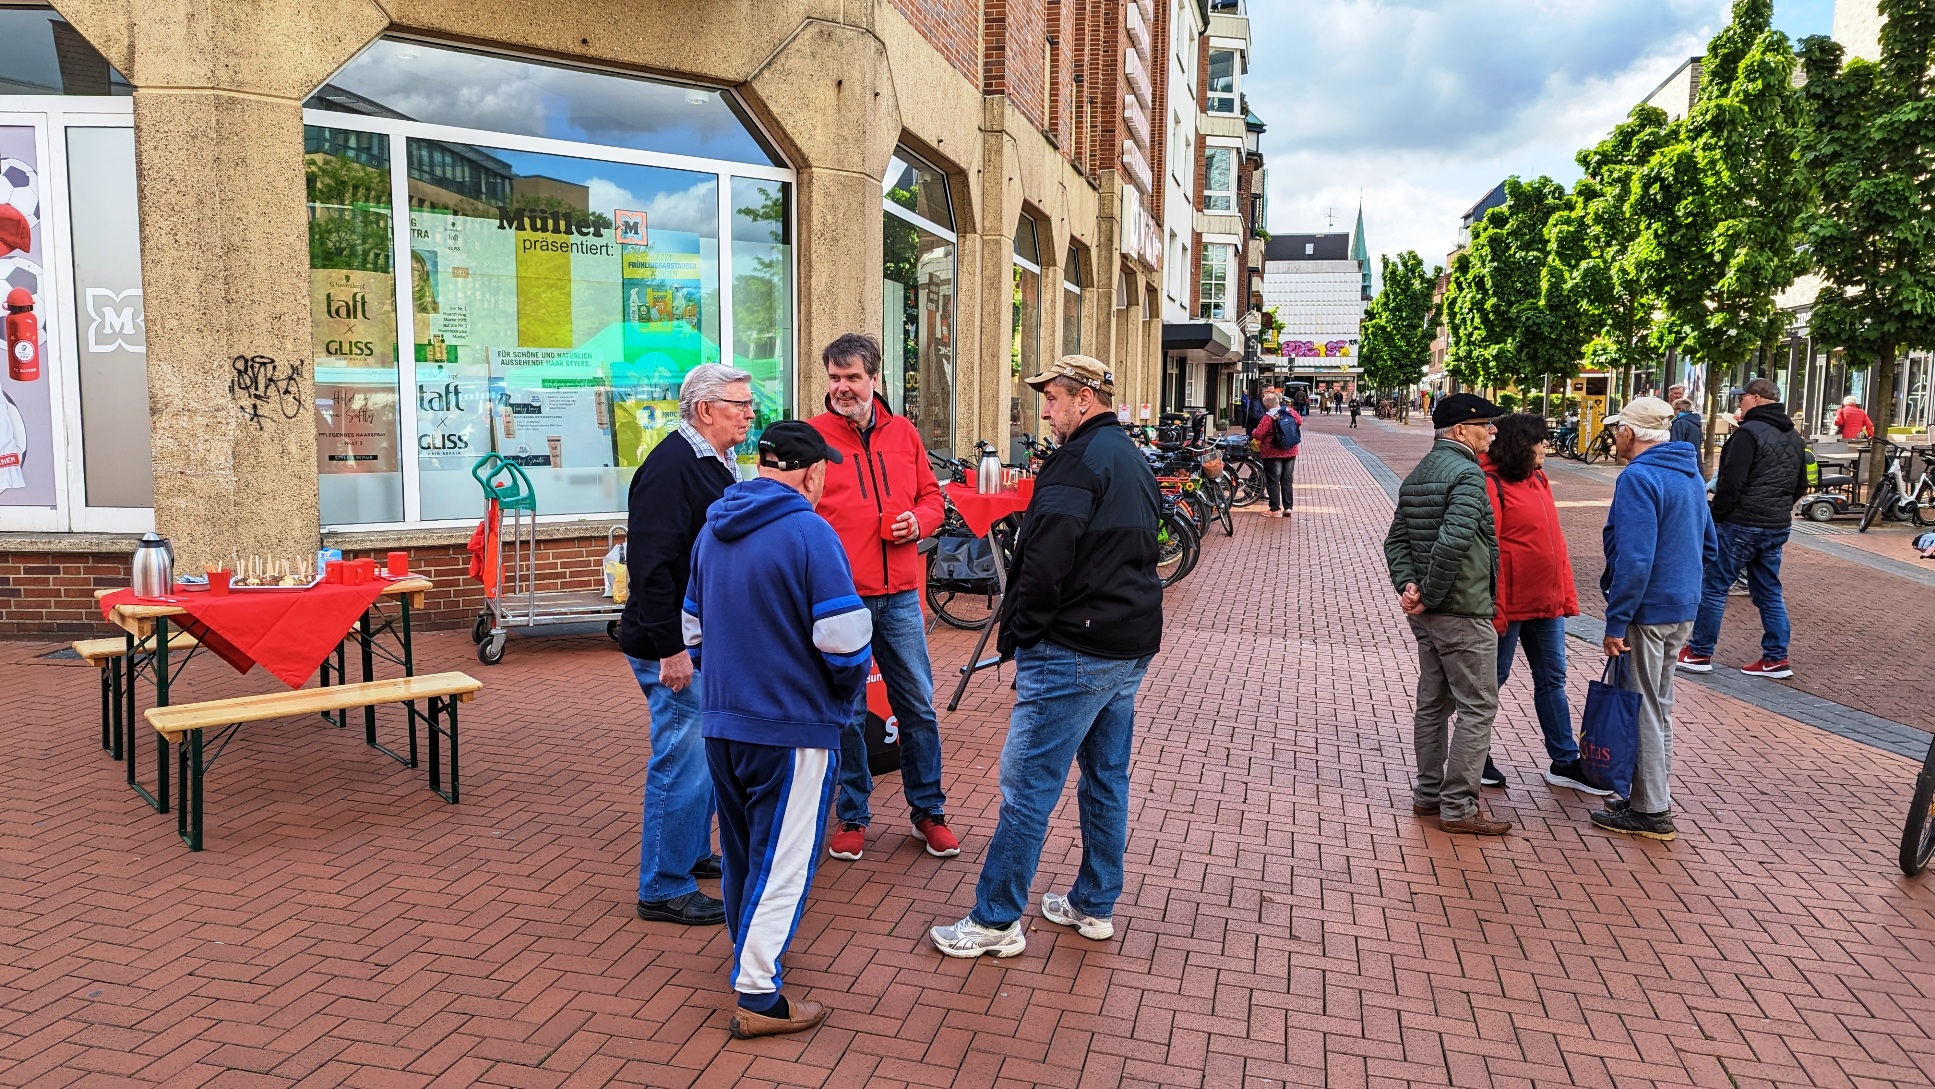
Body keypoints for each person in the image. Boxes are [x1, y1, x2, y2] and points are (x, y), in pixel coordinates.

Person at [930, 355, 1162, 958]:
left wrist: (1021, 636)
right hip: (1125, 642)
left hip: (1076, 647)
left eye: (1053, 399)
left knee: (1029, 785)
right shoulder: (1131, 457)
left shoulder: (1075, 464)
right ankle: (1094, 902)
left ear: (1084, 398)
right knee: (1106, 777)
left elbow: (1043, 565)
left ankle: (996, 919)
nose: (1046, 410)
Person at [684, 420, 872, 1038]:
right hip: (792, 725)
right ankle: (758, 995)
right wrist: (839, 697)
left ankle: (749, 957)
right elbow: (845, 641)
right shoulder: (810, 532)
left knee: (742, 851)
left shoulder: (713, 528)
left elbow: (693, 630)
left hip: (723, 721)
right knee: (785, 859)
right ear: (813, 473)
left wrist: (727, 683)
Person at [807, 333, 956, 862]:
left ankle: (928, 812)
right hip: (842, 599)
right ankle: (852, 815)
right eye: (834, 378)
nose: (841, 388)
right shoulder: (813, 437)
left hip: (899, 598)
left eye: (852, 378)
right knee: (845, 712)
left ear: (875, 379)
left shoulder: (904, 434)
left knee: (917, 704)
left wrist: (918, 522)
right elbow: (795, 512)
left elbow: (933, 498)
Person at [618, 363, 752, 927]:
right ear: (705, 410)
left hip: (700, 639)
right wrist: (671, 648)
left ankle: (691, 854)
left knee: (699, 757)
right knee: (682, 759)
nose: (751, 413)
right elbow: (648, 567)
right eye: (740, 404)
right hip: (670, 645)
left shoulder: (714, 461)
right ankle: (664, 887)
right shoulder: (672, 468)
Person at [1382, 392, 1513, 836]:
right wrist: (1431, 594)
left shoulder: (1419, 473)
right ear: (1460, 431)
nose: (1492, 431)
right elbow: (1454, 544)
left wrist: (1410, 589)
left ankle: (1428, 795)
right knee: (1478, 706)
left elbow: (1395, 542)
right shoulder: (1467, 475)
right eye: (1485, 425)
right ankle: (1458, 807)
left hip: (1430, 613)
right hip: (1462, 608)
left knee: (1433, 704)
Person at [1595, 397, 1718, 841]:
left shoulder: (1638, 478)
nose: (1614, 437)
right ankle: (1651, 797)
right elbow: (1709, 547)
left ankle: (1650, 810)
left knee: (1644, 704)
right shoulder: (1689, 476)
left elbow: (1635, 559)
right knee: (1659, 705)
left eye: (1618, 429)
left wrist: (1616, 620)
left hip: (1647, 612)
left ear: (1632, 432)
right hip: (1680, 608)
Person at [1478, 414, 1608, 797]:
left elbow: (1554, 545)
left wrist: (1563, 595)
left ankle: (1564, 760)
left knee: (1552, 680)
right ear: (1521, 443)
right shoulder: (1492, 483)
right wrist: (1496, 608)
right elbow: (1491, 553)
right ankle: (1475, 754)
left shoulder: (1539, 480)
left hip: (1544, 603)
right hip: (1509, 605)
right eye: (1541, 441)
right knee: (1491, 683)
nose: (1547, 447)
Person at [1679, 378, 1808, 679]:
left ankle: (1699, 652)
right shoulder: (1795, 438)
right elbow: (1801, 484)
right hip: (1775, 525)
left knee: (1714, 586)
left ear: (1757, 399)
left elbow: (1730, 484)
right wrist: (1779, 508)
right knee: (1769, 591)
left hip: (1741, 524)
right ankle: (1776, 658)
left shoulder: (1747, 435)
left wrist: (1717, 516)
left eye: (1742, 398)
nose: (1738, 403)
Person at [1249, 390, 1302, 517]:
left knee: (1273, 480)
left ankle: (1275, 509)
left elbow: (1259, 434)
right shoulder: (1290, 412)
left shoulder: (1268, 417)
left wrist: (1254, 432)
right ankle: (1288, 507)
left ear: (1267, 405)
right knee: (1287, 479)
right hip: (1290, 450)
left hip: (1272, 453)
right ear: (1278, 402)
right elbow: (1299, 421)